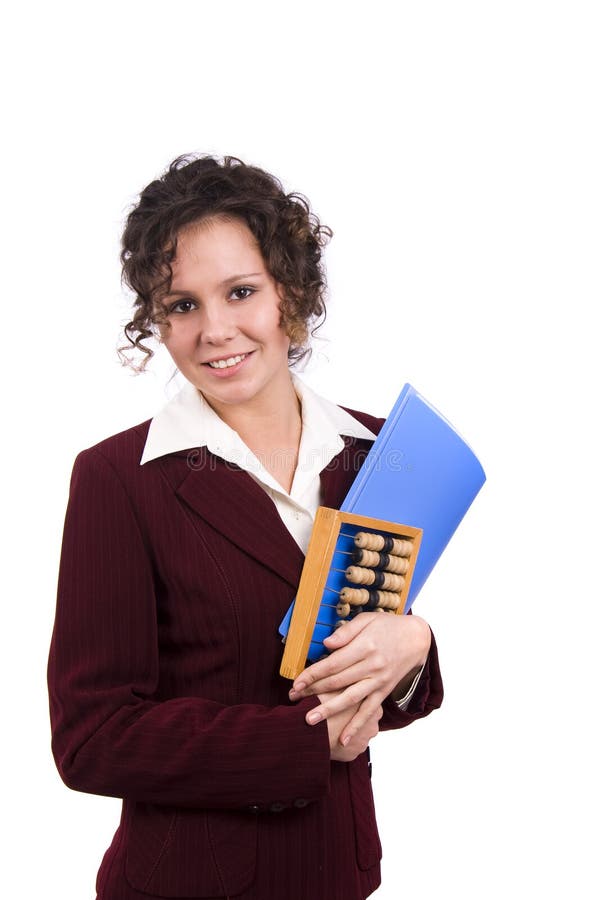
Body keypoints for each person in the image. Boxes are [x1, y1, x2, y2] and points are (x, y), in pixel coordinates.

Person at [47, 154, 443, 900]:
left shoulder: (377, 452)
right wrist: (301, 742)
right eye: (182, 305)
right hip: (189, 882)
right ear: (156, 322)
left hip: (340, 874)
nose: (215, 330)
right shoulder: (118, 480)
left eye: (240, 292)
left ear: (289, 294)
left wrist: (413, 647)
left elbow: (365, 654)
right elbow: (92, 739)